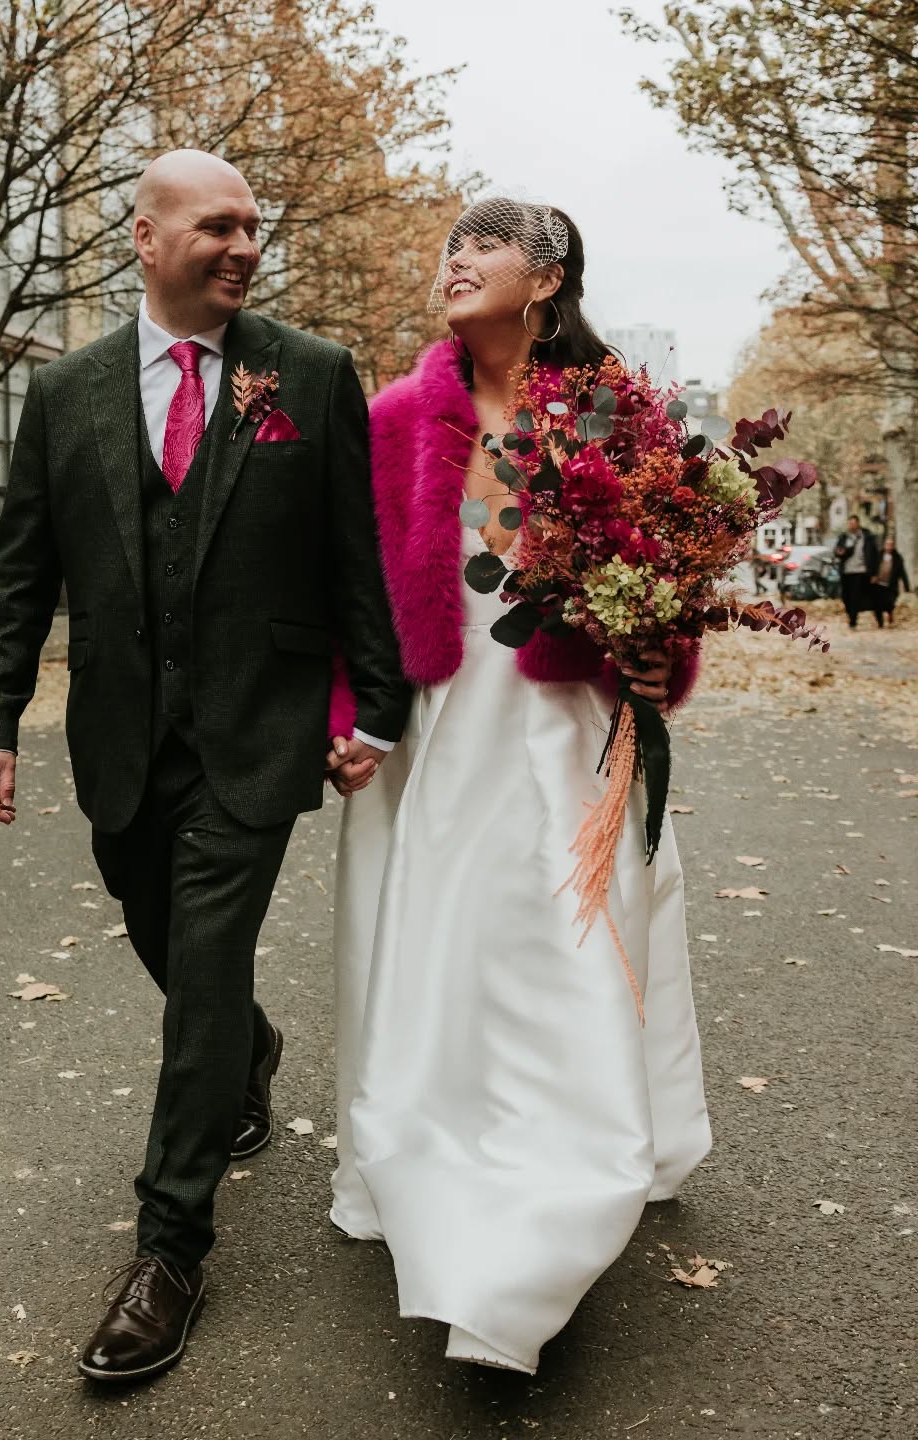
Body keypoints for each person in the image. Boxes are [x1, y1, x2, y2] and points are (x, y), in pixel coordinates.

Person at [0, 150, 409, 1384]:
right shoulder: (67, 392)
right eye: (216, 226)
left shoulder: (307, 376)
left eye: (254, 229)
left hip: (258, 736)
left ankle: (169, 1248)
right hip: (122, 739)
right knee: (159, 933)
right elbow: (24, 574)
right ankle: (248, 1050)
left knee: (201, 965)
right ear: (146, 237)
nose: (243, 247)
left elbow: (349, 556)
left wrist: (376, 709)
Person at [326, 199, 712, 1375]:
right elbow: (355, 587)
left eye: (483, 243)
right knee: (438, 950)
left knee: (569, 949)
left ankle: (559, 1199)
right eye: (449, 243)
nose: (455, 258)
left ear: (546, 278)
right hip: (437, 734)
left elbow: (669, 592)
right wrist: (350, 722)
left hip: (572, 729)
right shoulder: (395, 418)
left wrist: (663, 654)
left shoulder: (621, 415)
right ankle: (428, 1158)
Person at [833, 515, 879, 628]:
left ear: (858, 524)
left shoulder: (867, 537)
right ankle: (851, 614)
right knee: (846, 596)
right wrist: (839, 553)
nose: (852, 525)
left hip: (861, 571)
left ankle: (853, 620)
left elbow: (874, 556)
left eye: (854, 523)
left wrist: (874, 573)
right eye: (850, 523)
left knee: (856, 596)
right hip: (846, 571)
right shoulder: (844, 537)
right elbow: (836, 551)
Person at [868, 536, 910, 627]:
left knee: (890, 602)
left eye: (891, 544)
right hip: (878, 584)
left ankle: (890, 613)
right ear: (884, 545)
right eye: (887, 544)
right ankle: (880, 622)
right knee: (877, 604)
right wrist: (872, 576)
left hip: (890, 585)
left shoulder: (897, 557)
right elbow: (872, 567)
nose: (889, 546)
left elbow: (902, 572)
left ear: (894, 546)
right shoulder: (878, 555)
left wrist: (907, 587)